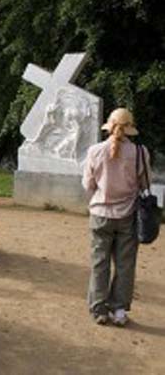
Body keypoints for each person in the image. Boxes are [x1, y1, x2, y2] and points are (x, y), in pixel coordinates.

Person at [82, 108, 149, 327]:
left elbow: (88, 185)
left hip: (100, 214)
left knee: (99, 263)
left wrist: (100, 196)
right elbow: (144, 184)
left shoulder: (94, 150)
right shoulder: (140, 152)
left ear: (109, 126)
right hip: (128, 214)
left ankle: (99, 309)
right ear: (130, 128)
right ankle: (119, 310)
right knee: (125, 265)